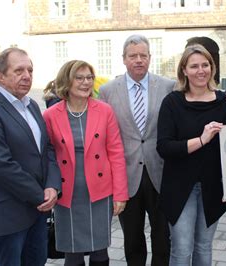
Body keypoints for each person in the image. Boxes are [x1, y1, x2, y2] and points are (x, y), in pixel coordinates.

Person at [0, 47, 62, 266]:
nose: (27, 76)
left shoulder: (31, 106)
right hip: (9, 212)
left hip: (38, 211)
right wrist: (39, 195)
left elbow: (47, 148)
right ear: (0, 76)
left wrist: (52, 186)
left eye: (30, 70)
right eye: (19, 70)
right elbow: (0, 165)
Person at [157, 44, 226, 265]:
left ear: (212, 68)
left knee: (204, 248)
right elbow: (164, 147)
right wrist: (202, 140)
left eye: (205, 65)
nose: (201, 70)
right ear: (184, 70)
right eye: (194, 66)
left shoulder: (225, 103)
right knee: (181, 250)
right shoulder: (172, 102)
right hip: (180, 187)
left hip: (213, 187)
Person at [43, 60, 129, 266]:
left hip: (99, 192)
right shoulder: (50, 115)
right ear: (67, 81)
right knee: (72, 252)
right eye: (79, 78)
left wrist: (120, 194)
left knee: (100, 251)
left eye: (89, 78)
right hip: (67, 193)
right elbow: (47, 155)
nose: (86, 82)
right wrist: (49, 187)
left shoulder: (105, 110)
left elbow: (116, 153)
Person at [99, 34, 174, 266]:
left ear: (150, 58)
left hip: (160, 172)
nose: (138, 60)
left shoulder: (168, 86)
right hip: (126, 175)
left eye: (143, 55)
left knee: (162, 236)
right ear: (124, 59)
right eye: (133, 56)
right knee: (132, 238)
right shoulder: (108, 91)